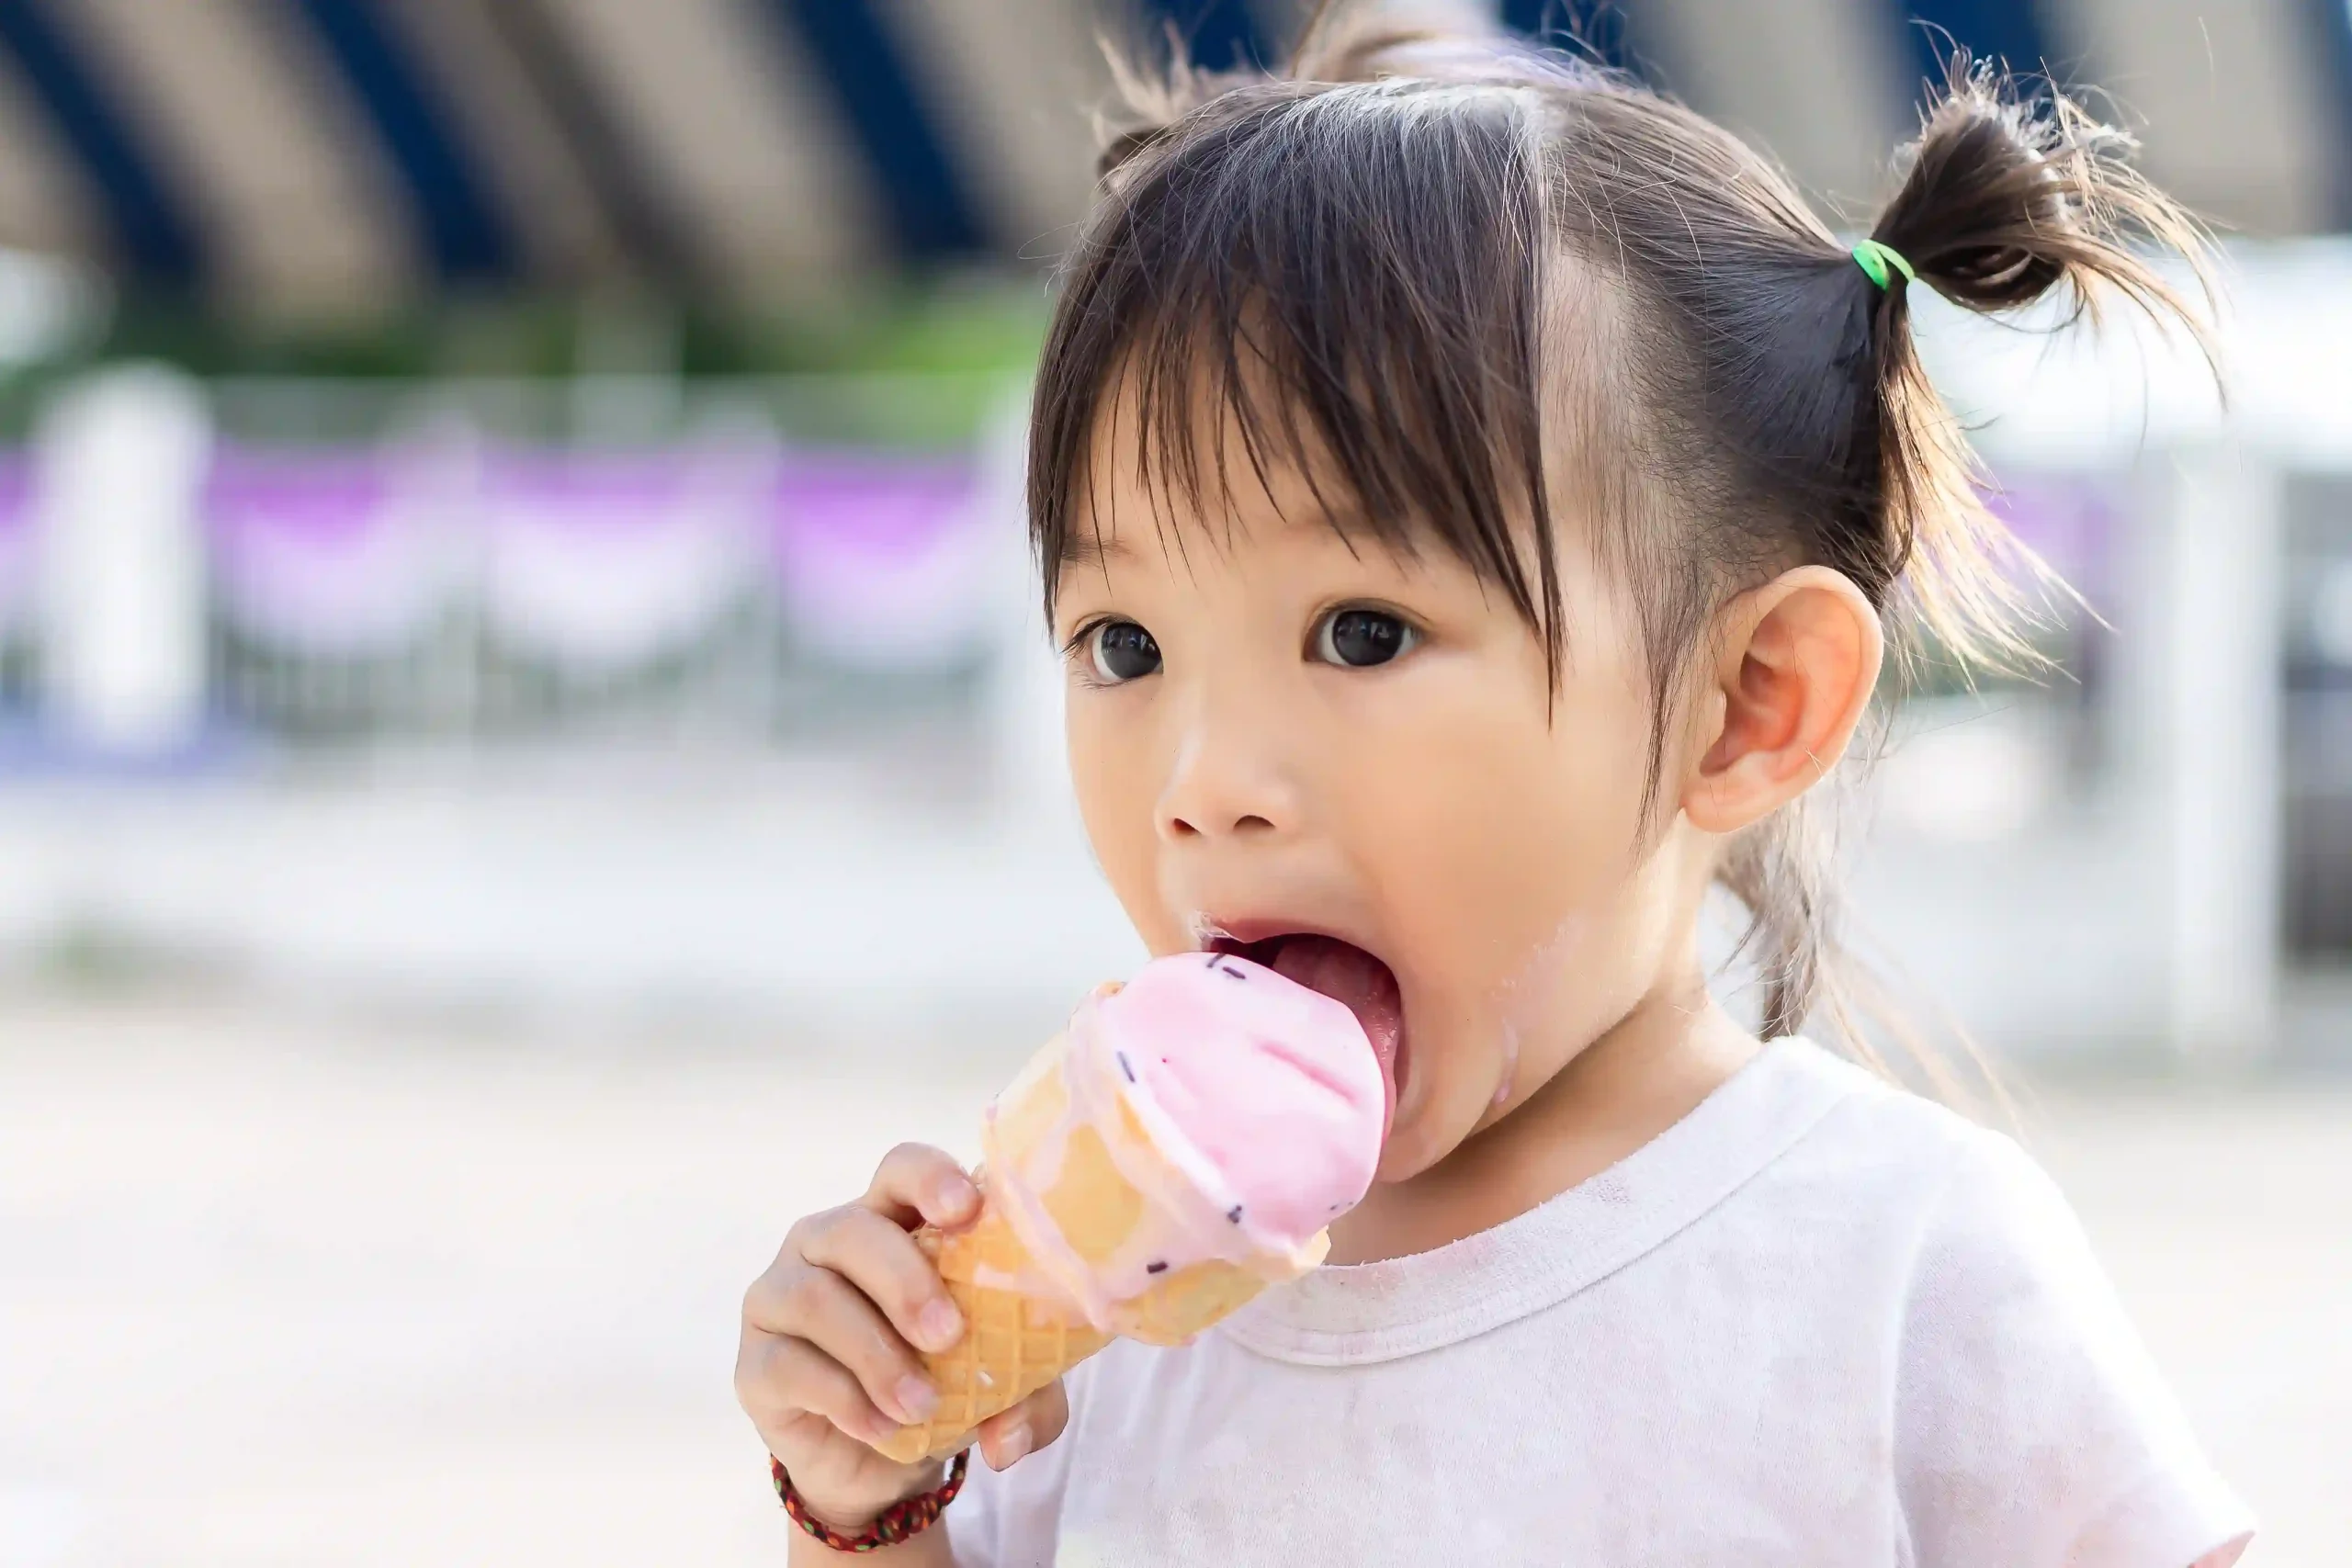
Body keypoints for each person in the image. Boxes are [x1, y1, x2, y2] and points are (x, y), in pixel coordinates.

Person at [735, 10, 2252, 1564]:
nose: (1203, 784)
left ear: (1746, 704)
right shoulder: (1107, 1300)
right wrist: (866, 1495)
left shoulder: (1903, 1264)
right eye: (1122, 642)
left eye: (1362, 632)